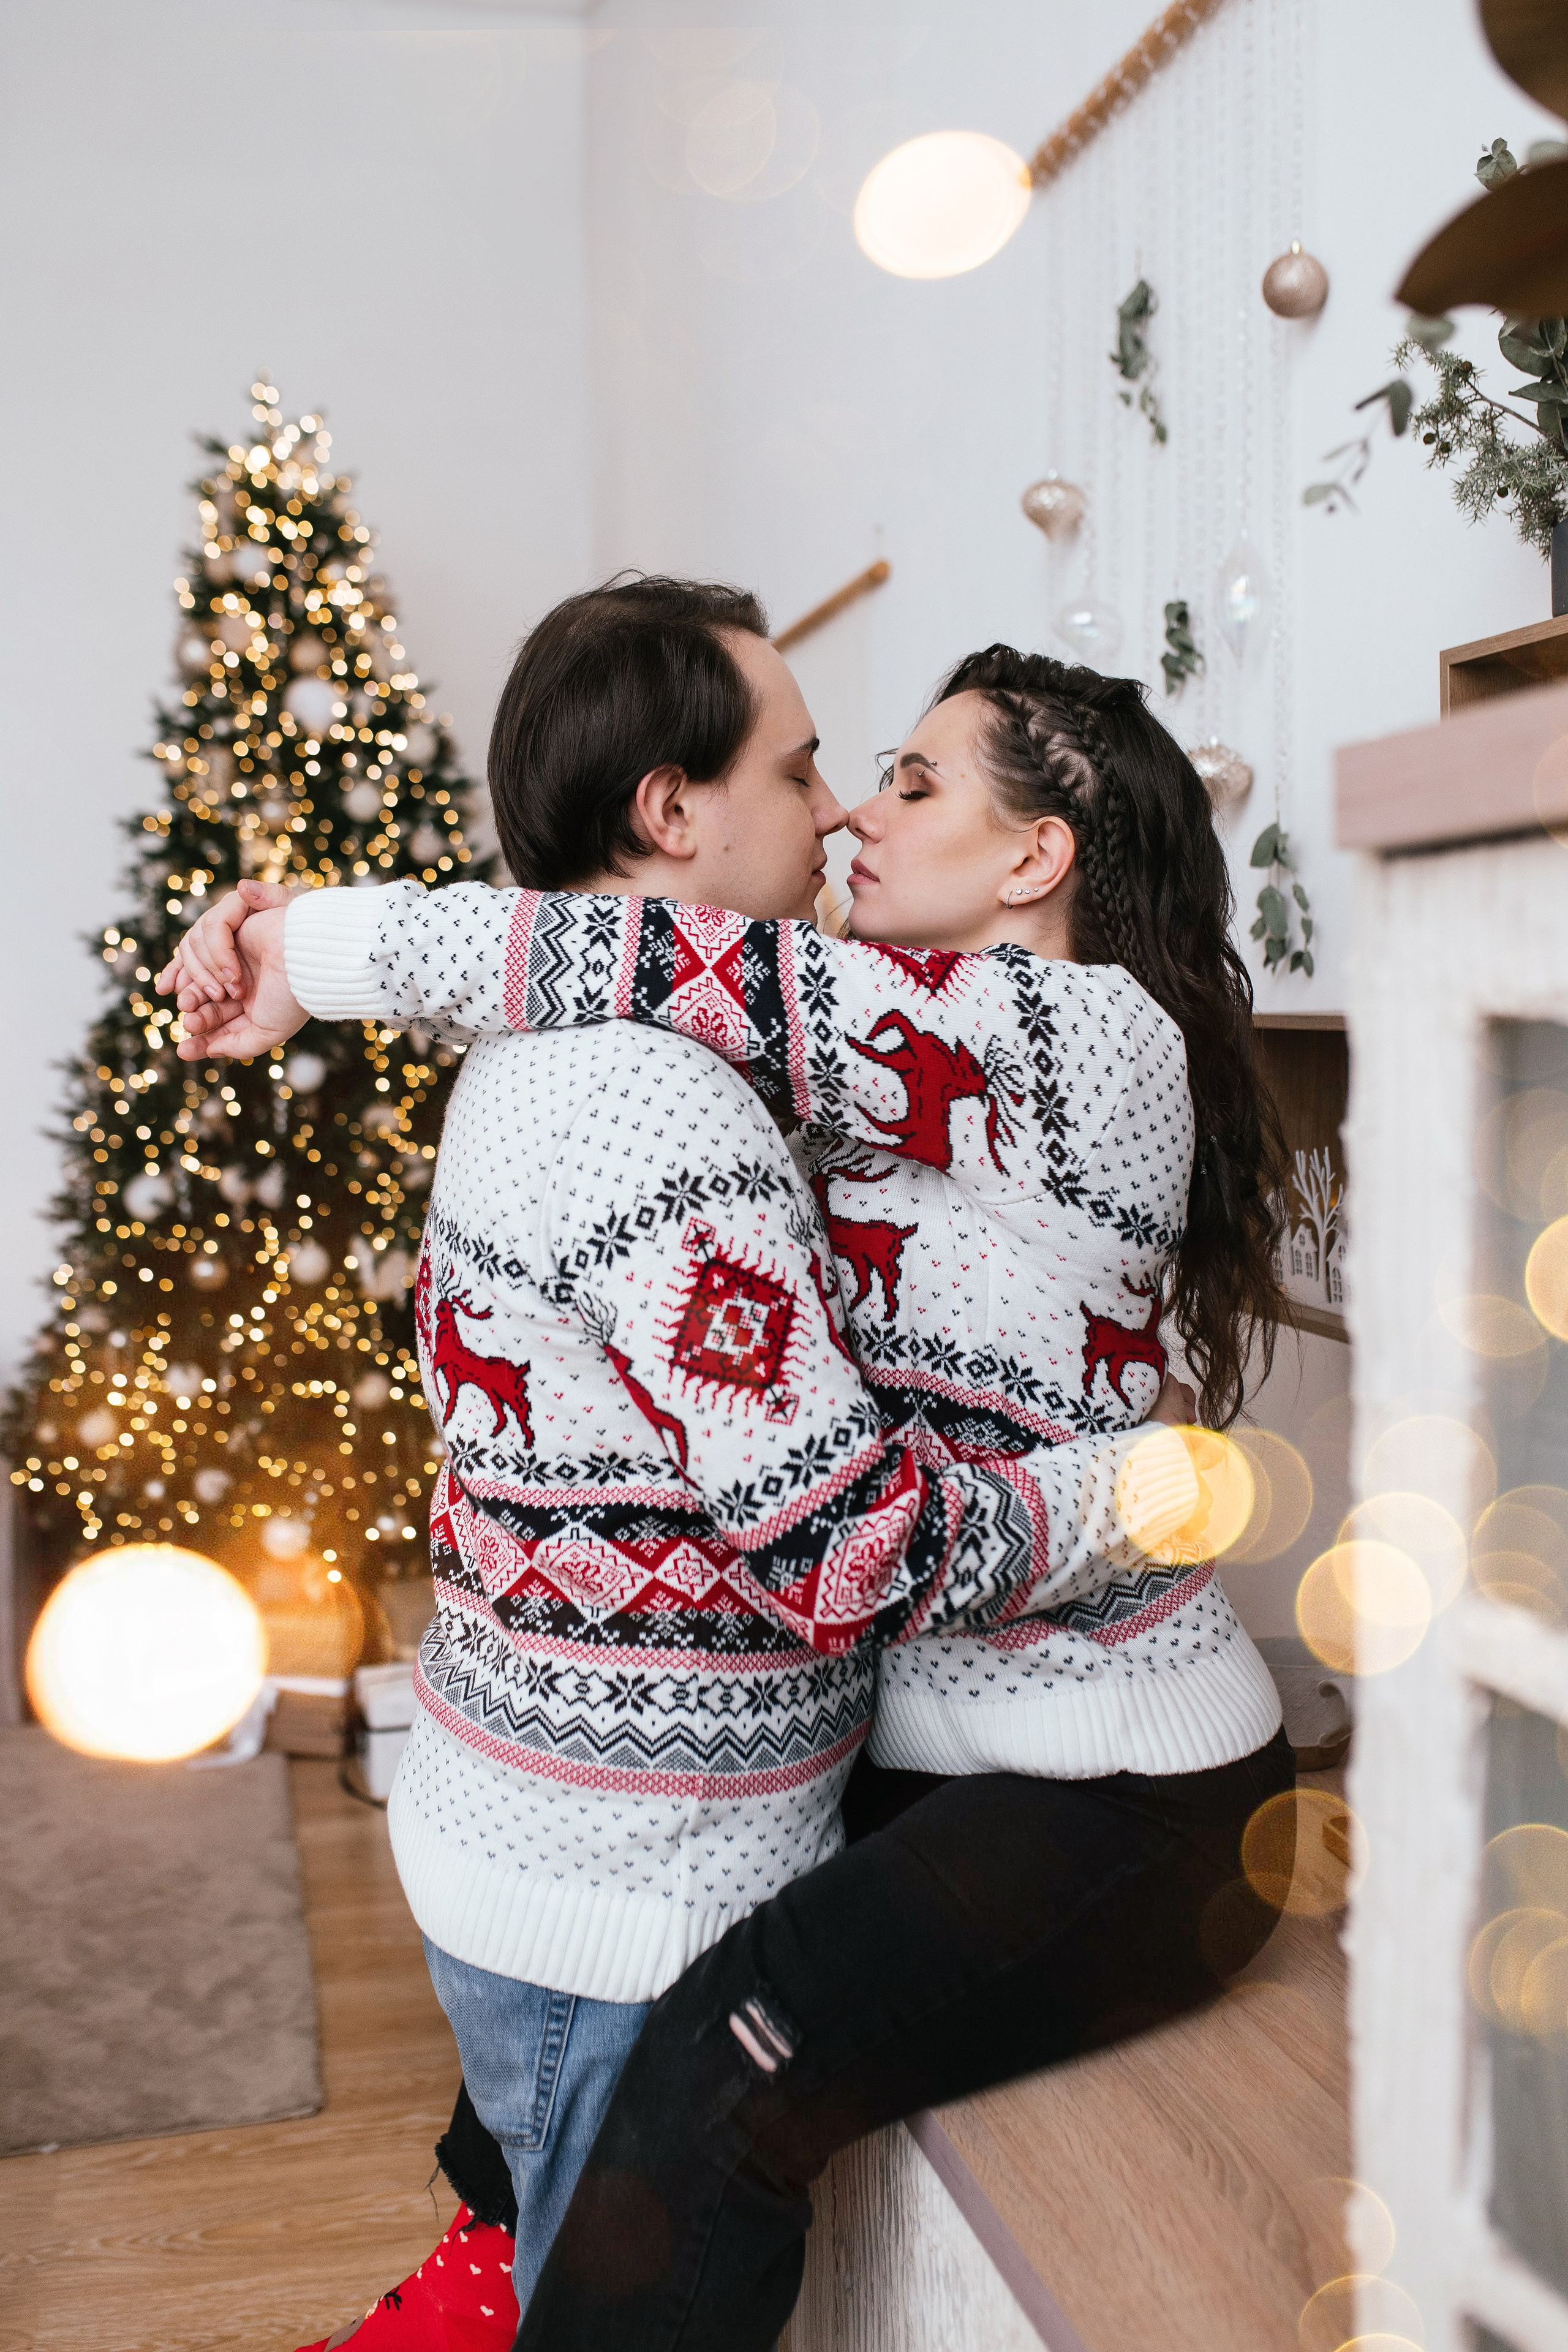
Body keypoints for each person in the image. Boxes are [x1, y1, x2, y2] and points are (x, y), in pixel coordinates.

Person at [166, 581, 1224, 2352]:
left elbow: (654, 974)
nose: (842, 816)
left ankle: (469, 2292)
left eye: (898, 781)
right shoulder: (750, 1072)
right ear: (672, 810)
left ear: (1039, 857)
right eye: (826, 770)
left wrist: (311, 948)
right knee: (614, 2168)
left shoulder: (1063, 1040)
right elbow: (636, 994)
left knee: (660, 2131)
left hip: (1051, 1740)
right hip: (720, 1796)